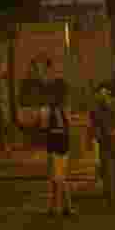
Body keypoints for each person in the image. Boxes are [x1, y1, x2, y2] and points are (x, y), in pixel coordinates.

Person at [88, 81, 115, 209]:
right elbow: (93, 127)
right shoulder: (95, 110)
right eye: (99, 93)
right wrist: (95, 139)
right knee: (106, 169)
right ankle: (109, 196)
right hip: (104, 142)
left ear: (108, 93)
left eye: (104, 92)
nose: (101, 95)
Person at [38, 79, 75, 217]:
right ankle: (63, 206)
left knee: (58, 177)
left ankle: (59, 207)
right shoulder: (57, 109)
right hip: (59, 143)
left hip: (58, 143)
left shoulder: (54, 109)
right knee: (59, 177)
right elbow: (66, 126)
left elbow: (44, 127)